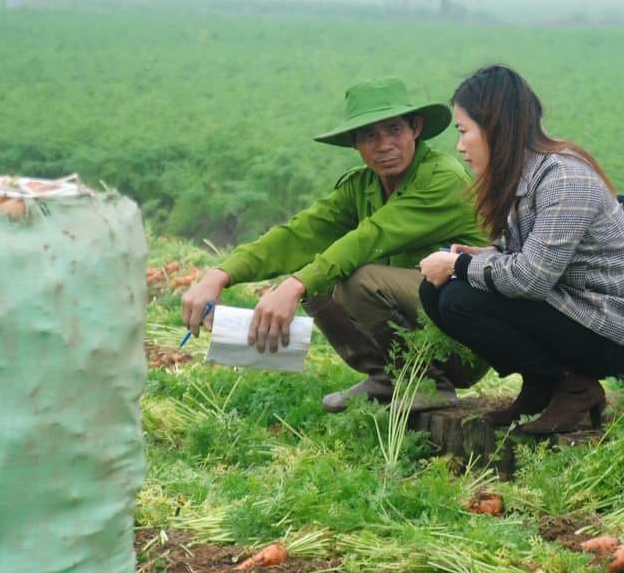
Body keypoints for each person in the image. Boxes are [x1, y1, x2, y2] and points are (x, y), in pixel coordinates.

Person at [183, 77, 489, 413]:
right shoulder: (362, 186)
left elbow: (369, 237)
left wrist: (292, 286)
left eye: (393, 130)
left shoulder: (442, 179)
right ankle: (386, 376)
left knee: (359, 279)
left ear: (415, 128)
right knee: (320, 279)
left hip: (467, 333)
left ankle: (430, 384)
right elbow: (299, 233)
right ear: (355, 143)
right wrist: (219, 275)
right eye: (369, 135)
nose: (384, 144)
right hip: (422, 321)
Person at [418, 65, 624, 434]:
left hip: (614, 328)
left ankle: (574, 387)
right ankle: (542, 383)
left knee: (459, 297)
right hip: (574, 309)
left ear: (494, 126)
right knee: (434, 291)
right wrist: (480, 257)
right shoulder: (526, 177)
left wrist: (459, 264)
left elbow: (531, 280)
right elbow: (534, 263)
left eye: (463, 130)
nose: (459, 145)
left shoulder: (563, 178)